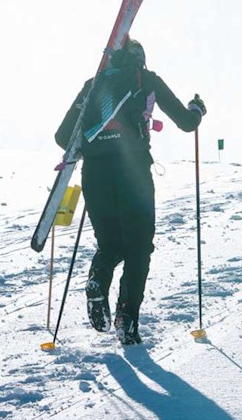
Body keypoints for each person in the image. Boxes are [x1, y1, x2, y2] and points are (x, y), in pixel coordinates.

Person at [54, 39, 204, 345]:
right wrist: (197, 109)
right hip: (132, 171)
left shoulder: (92, 84)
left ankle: (98, 280)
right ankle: (127, 319)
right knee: (138, 247)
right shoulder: (147, 80)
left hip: (95, 173)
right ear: (140, 60)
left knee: (110, 243)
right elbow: (186, 123)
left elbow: (62, 137)